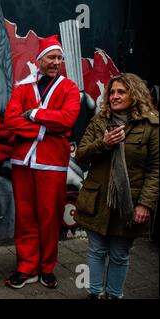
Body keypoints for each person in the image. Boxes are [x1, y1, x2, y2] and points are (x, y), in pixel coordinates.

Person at [4, 35, 80, 289]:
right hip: (23, 163)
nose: (56, 62)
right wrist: (43, 130)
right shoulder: (23, 88)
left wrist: (35, 114)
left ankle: (47, 267)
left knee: (49, 217)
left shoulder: (68, 88)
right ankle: (27, 266)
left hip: (53, 163)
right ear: (39, 61)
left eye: (59, 58)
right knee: (25, 216)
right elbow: (11, 120)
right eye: (51, 57)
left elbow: (68, 119)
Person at [74, 73, 159, 299]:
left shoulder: (150, 125)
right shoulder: (99, 121)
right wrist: (103, 143)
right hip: (98, 199)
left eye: (121, 91)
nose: (115, 96)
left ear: (135, 94)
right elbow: (80, 155)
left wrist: (145, 204)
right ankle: (94, 293)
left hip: (128, 202)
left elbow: (155, 169)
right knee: (96, 250)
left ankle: (114, 295)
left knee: (120, 254)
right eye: (112, 92)